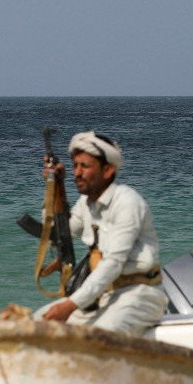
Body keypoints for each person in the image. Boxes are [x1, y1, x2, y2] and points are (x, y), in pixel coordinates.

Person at [33, 131, 169, 335]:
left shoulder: (127, 203)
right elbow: (57, 238)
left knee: (100, 337)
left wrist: (70, 305)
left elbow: (113, 263)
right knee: (34, 325)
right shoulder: (86, 204)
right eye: (75, 166)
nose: (77, 173)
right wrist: (54, 188)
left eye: (85, 166)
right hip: (101, 297)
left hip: (140, 296)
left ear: (107, 170)